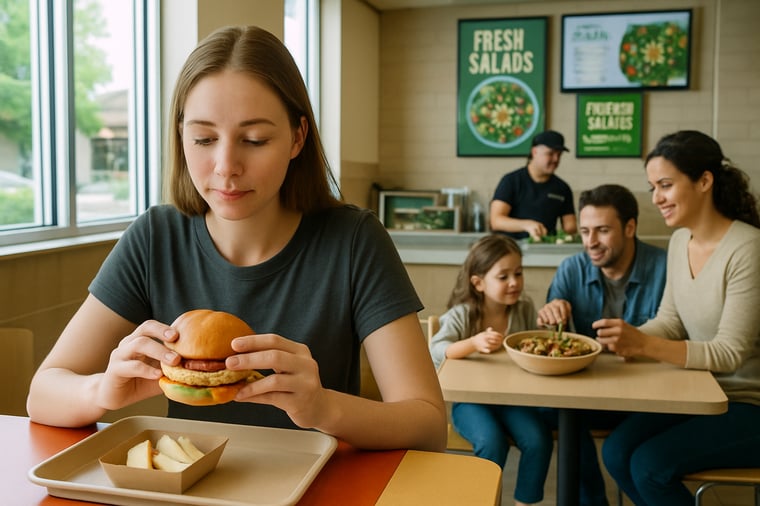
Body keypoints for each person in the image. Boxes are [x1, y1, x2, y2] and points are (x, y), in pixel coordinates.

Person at [25, 25, 447, 453]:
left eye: (254, 140)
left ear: (297, 137)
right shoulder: (156, 237)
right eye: (204, 139)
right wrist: (102, 392)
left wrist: (323, 408)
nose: (226, 166)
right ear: (181, 136)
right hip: (190, 491)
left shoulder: (354, 240)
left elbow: (428, 424)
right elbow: (42, 393)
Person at [594, 130, 760, 506]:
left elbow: (729, 353)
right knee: (617, 452)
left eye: (665, 185)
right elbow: (669, 321)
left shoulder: (748, 248)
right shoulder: (680, 242)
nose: (657, 199)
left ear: (704, 181)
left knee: (650, 467)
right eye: (653, 187)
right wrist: (622, 339)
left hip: (747, 403)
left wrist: (644, 344)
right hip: (703, 394)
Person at [536, 183, 668, 506]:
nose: (591, 242)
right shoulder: (571, 269)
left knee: (627, 453)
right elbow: (552, 326)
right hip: (590, 397)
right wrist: (551, 312)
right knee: (554, 409)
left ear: (630, 227)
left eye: (603, 230)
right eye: (584, 231)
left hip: (647, 398)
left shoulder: (666, 267)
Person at [429, 234, 553, 506]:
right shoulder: (463, 314)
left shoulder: (523, 309)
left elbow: (532, 347)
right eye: (503, 276)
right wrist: (472, 343)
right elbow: (436, 349)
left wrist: (545, 330)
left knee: (538, 440)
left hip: (513, 400)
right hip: (470, 404)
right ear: (478, 283)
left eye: (518, 273)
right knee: (491, 440)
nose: (514, 283)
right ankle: (484, 501)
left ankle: (526, 502)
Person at [490, 129, 578, 241]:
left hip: (544, 251)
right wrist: (527, 225)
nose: (556, 159)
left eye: (559, 155)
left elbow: (570, 226)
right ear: (534, 152)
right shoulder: (511, 181)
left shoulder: (562, 188)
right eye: (550, 154)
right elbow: (496, 221)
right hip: (509, 249)